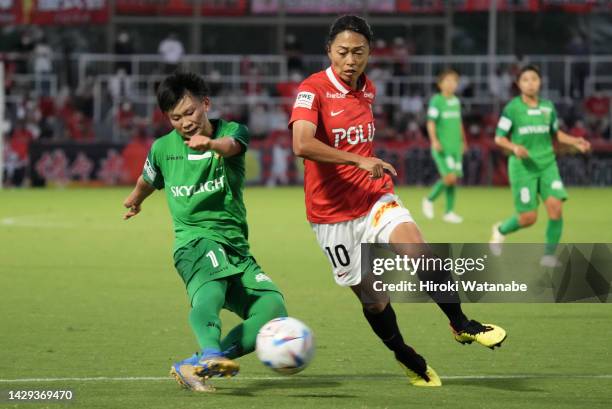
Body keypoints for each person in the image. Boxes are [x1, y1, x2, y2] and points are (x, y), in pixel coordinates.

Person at [289, 15, 506, 388]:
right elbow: (301, 144)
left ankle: (461, 324)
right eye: (343, 52)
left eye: (359, 52)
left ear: (370, 53)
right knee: (374, 300)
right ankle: (404, 353)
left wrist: (365, 167)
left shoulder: (367, 88)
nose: (351, 60)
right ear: (329, 52)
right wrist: (359, 159)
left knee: (419, 250)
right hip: (331, 217)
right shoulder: (313, 90)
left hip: (374, 197)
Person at [123, 72, 287, 392]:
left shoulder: (232, 132)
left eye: (190, 112)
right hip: (194, 242)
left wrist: (210, 144)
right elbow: (149, 177)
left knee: (273, 311)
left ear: (206, 104)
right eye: (175, 118)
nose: (185, 122)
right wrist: (135, 199)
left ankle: (196, 364)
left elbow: (229, 147)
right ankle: (211, 352)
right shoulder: (162, 148)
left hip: (235, 246)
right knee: (211, 285)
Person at [490, 65, 591, 267]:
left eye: (534, 79)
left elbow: (556, 134)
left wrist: (575, 141)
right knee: (528, 218)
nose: (530, 83)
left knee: (556, 208)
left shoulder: (547, 107)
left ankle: (548, 256)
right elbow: (499, 138)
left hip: (547, 165)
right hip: (522, 167)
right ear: (518, 84)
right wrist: (515, 147)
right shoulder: (512, 108)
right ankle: (500, 230)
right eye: (525, 79)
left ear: (540, 82)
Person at [422, 69, 466, 223]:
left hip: (455, 147)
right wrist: (434, 140)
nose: (451, 84)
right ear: (440, 84)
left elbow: (459, 122)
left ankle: (449, 212)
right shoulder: (437, 101)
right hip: (442, 147)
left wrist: (463, 141)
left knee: (453, 179)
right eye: (448, 81)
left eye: (454, 81)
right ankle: (429, 199)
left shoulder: (456, 101)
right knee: (449, 177)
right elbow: (431, 122)